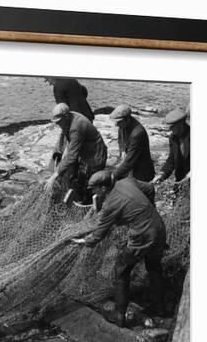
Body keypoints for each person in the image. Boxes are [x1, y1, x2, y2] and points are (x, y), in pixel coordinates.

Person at [72, 171, 167, 327]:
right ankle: (161, 308)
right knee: (154, 267)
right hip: (159, 226)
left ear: (103, 188)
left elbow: (99, 233)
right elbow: (150, 188)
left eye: (94, 189)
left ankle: (119, 316)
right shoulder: (127, 182)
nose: (92, 192)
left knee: (121, 269)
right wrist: (148, 208)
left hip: (142, 236)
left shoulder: (111, 204)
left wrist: (82, 241)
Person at [46, 103, 107, 204]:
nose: (58, 125)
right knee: (78, 179)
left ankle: (88, 206)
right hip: (85, 153)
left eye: (59, 122)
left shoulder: (77, 127)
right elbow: (68, 141)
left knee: (89, 183)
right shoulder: (69, 118)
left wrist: (54, 176)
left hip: (95, 155)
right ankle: (79, 199)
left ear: (66, 116)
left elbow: (72, 156)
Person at [109, 104, 155, 182]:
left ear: (127, 119)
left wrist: (113, 176)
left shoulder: (137, 133)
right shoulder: (122, 125)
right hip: (130, 167)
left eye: (118, 122)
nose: (116, 125)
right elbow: (121, 140)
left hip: (141, 173)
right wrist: (123, 151)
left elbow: (129, 162)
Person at [151, 108, 190, 184]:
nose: (170, 129)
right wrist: (162, 174)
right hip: (179, 180)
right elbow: (171, 160)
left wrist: (189, 176)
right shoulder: (173, 138)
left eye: (172, 126)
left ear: (181, 124)